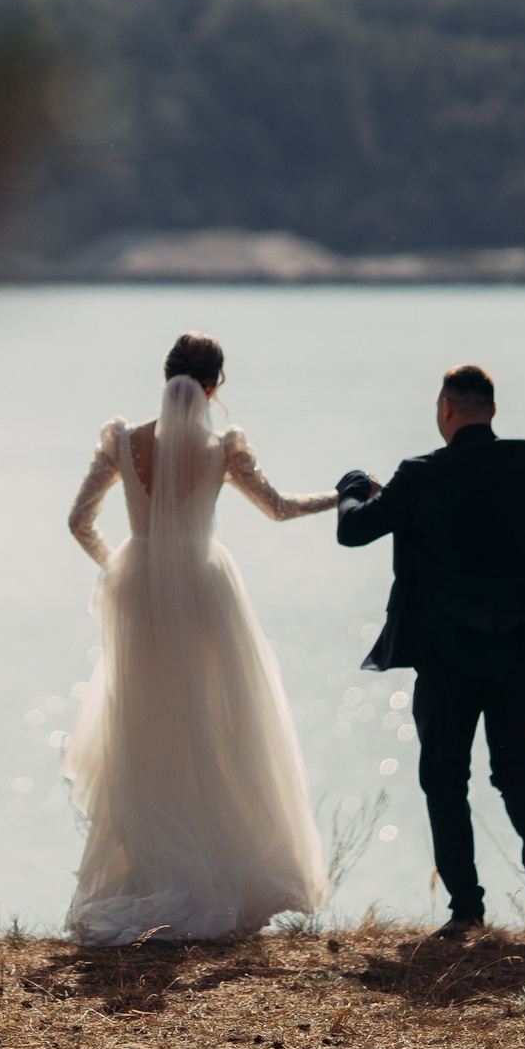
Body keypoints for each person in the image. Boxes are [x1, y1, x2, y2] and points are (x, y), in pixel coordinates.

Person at [58, 332, 337, 943]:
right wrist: (341, 496)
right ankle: (223, 874)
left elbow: (79, 521)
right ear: (215, 387)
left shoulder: (122, 442)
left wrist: (121, 568)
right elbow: (281, 508)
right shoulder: (222, 447)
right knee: (214, 726)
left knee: (143, 730)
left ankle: (143, 876)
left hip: (140, 595)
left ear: (164, 378)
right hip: (205, 590)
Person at [335, 364, 525, 938]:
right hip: (520, 646)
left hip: (445, 656)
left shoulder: (417, 476)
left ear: (445, 408)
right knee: (516, 766)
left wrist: (352, 490)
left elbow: (354, 531)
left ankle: (466, 909)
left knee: (445, 778)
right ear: (492, 409)